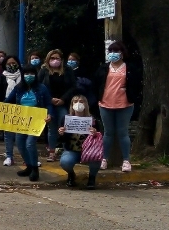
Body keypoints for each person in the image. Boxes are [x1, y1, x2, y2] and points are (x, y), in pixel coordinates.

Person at [94, 41, 142, 172]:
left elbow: (137, 85)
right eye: (111, 51)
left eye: (116, 51)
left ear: (122, 53)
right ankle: (104, 159)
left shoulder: (130, 68)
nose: (113, 54)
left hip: (125, 104)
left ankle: (126, 161)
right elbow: (97, 84)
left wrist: (130, 93)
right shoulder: (104, 68)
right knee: (108, 133)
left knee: (122, 132)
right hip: (105, 104)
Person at [5, 64, 53, 182]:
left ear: (35, 75)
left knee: (30, 143)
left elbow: (48, 103)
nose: (29, 76)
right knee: (20, 143)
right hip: (22, 120)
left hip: (36, 120)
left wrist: (49, 114)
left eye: (31, 74)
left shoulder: (42, 88)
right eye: (26, 74)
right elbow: (8, 101)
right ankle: (29, 166)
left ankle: (35, 169)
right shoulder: (18, 88)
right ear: (23, 75)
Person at [38, 49, 76, 162]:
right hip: (49, 104)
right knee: (52, 129)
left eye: (57, 58)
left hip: (63, 103)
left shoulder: (68, 70)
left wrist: (63, 99)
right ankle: (52, 152)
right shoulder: (43, 71)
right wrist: (49, 99)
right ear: (48, 59)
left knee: (65, 126)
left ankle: (67, 151)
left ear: (62, 60)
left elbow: (74, 87)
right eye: (52, 58)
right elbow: (38, 87)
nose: (55, 60)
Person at [58, 95, 102, 189]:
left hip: (89, 151)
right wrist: (61, 133)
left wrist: (95, 133)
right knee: (65, 162)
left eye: (81, 101)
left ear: (86, 104)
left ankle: (92, 178)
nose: (78, 104)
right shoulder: (66, 119)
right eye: (75, 101)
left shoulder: (93, 120)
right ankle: (71, 174)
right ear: (72, 104)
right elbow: (61, 141)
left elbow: (100, 136)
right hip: (72, 150)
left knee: (96, 159)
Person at [0, 55, 22, 166]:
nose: (12, 65)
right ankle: (9, 156)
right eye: (9, 63)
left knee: (23, 134)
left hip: (23, 108)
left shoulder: (24, 76)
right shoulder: (1, 78)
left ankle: (27, 157)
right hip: (7, 108)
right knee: (8, 134)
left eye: (14, 63)